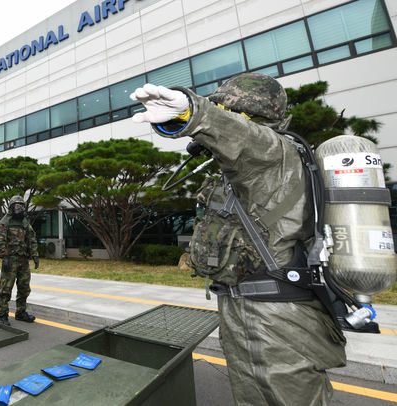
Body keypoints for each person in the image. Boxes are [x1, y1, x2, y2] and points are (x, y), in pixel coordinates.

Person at [131, 73, 346, 405]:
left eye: (230, 112)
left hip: (276, 319)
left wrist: (192, 112)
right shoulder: (244, 170)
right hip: (248, 311)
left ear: (253, 118)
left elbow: (243, 137)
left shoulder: (274, 154)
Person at [0, 195, 39, 326]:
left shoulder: (25, 222)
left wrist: (35, 255)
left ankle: (20, 312)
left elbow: (31, 239)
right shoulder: (4, 222)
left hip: (23, 260)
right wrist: (4, 257)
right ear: (11, 207)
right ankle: (2, 315)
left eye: (21, 206)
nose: (19, 209)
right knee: (6, 289)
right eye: (17, 206)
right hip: (10, 260)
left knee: (24, 287)